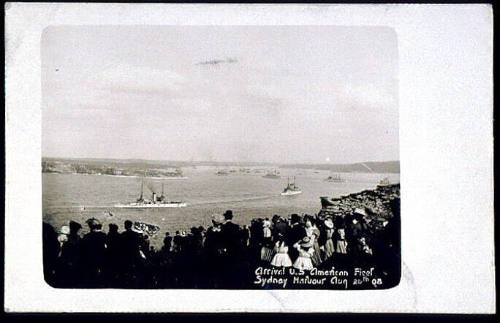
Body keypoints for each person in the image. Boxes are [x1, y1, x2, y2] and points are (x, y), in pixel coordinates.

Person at [80, 218, 107, 286]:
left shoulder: (87, 237)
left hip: (91, 258)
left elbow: (83, 248)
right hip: (101, 256)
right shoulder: (103, 235)